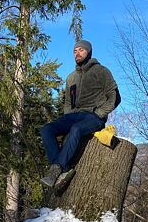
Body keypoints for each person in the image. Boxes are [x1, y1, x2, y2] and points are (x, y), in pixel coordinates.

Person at [40, 39, 120, 188]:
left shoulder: (101, 71)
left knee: (75, 129)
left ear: (88, 52)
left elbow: (115, 96)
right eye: (75, 51)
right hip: (73, 116)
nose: (77, 53)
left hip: (93, 117)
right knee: (46, 129)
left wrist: (100, 113)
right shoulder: (71, 77)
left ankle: (56, 169)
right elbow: (68, 102)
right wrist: (67, 116)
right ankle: (62, 170)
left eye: (81, 50)